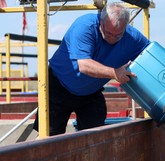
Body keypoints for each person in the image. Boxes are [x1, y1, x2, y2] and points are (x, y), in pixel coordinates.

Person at [33, 2, 151, 136]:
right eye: (108, 33)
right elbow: (84, 65)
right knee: (48, 137)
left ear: (126, 27)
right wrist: (114, 72)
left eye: (118, 35)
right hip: (59, 86)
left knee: (95, 136)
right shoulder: (85, 26)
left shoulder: (132, 36)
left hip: (90, 92)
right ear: (101, 21)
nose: (112, 39)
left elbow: (152, 55)